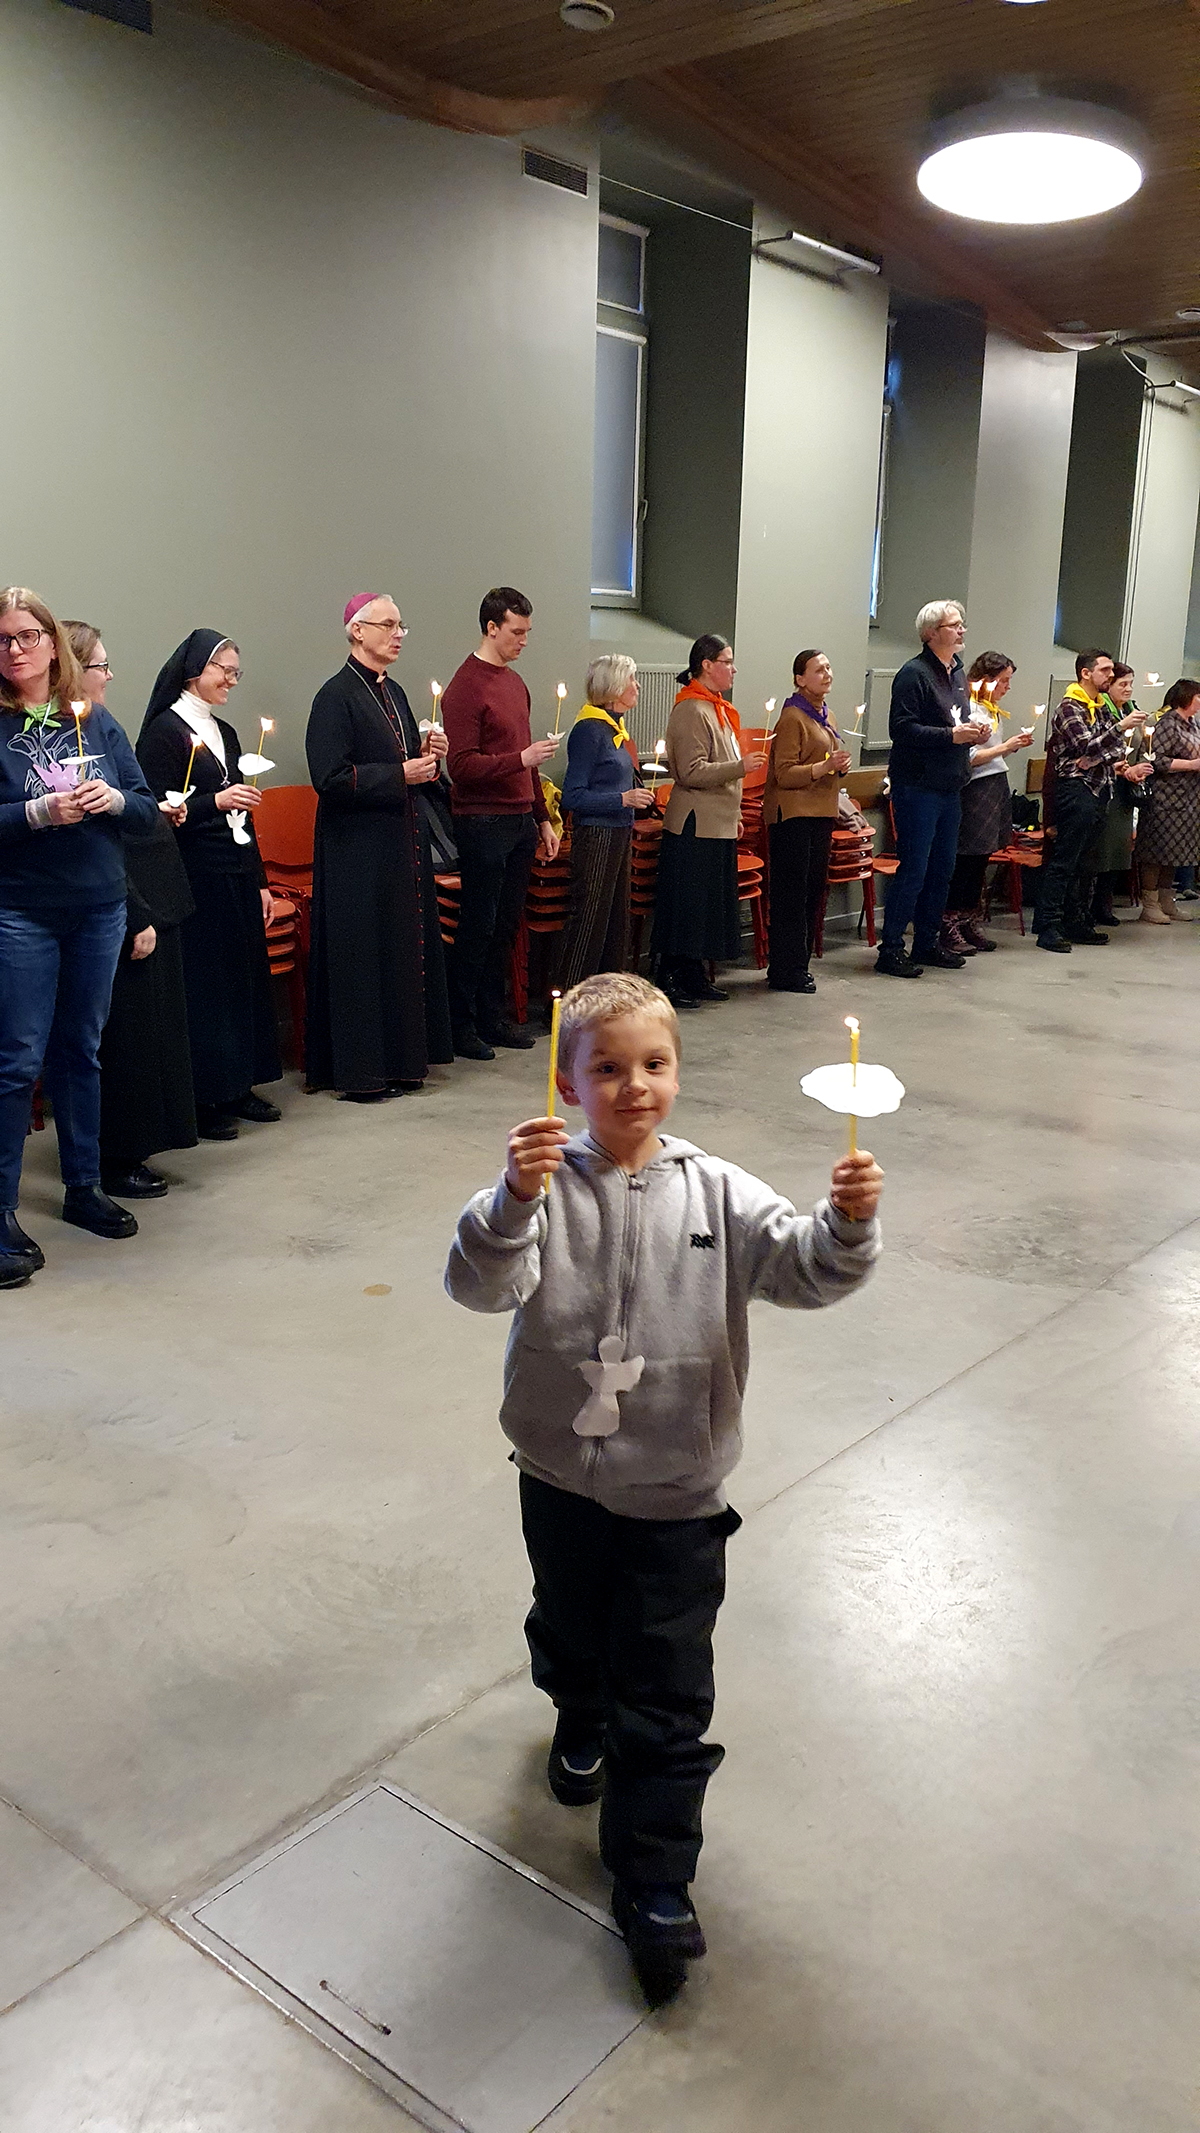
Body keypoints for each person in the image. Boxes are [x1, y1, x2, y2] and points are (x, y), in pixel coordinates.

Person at [445, 972, 882, 2000]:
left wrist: (845, 1224)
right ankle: (577, 1710)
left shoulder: (720, 1192)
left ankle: (654, 1880)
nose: (633, 1085)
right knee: (569, 1625)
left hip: (679, 1490)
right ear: (568, 1082)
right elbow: (477, 1284)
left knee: (668, 1689)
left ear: (678, 1071)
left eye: (653, 1063)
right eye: (606, 1068)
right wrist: (510, 1201)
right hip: (558, 1473)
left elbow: (806, 1272)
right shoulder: (541, 1186)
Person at [0, 587, 158, 1287]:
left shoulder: (90, 719)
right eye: (3, 639)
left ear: (51, 644)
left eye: (27, 636)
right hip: (22, 911)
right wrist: (36, 812)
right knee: (16, 1060)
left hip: (98, 907)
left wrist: (113, 799)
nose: (15, 650)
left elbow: (146, 811)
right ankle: (1, 1211)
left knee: (81, 1050)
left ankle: (83, 1186)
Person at [64, 621, 197, 1198]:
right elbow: (93, 844)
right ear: (73, 669)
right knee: (122, 1040)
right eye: (100, 666)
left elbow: (131, 803)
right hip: (116, 903)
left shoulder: (104, 725)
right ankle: (115, 1156)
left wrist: (148, 809)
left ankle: (138, 1144)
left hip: (145, 896)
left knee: (150, 1032)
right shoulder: (64, 737)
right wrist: (135, 914)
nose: (109, 675)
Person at [305, 595, 453, 1100]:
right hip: (356, 851)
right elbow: (329, 778)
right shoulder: (334, 696)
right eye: (388, 625)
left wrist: (428, 757)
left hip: (399, 845)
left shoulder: (396, 692)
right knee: (363, 957)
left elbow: (406, 763)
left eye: (400, 625)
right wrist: (399, 773)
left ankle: (402, 1063)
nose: (398, 634)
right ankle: (361, 1073)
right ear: (357, 631)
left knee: (397, 951)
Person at [137, 632, 282, 1136]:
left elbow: (244, 813)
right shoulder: (164, 733)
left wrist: (260, 880)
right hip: (194, 875)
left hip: (235, 872)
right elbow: (155, 811)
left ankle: (239, 1083)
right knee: (206, 987)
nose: (232, 681)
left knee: (241, 980)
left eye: (237, 672)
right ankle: (205, 1096)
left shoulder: (226, 732)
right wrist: (213, 803)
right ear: (195, 668)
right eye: (225, 670)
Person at [442, 588, 560, 1061]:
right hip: (482, 820)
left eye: (528, 632)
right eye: (517, 632)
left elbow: (529, 761)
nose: (524, 641)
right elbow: (461, 766)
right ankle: (461, 1023)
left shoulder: (516, 684)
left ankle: (493, 1017)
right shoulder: (465, 687)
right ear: (491, 628)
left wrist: (542, 817)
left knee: (507, 925)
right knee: (480, 924)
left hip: (519, 821)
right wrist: (520, 760)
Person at [651, 636, 765, 1010]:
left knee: (704, 907)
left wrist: (735, 816)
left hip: (716, 823)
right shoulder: (691, 709)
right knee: (687, 904)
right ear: (706, 665)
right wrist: (741, 766)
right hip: (693, 825)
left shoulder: (717, 708)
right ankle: (670, 975)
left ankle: (693, 973)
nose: (733, 669)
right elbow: (690, 771)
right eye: (727, 662)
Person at [877, 600, 988, 978]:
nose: (961, 630)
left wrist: (974, 732)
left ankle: (926, 942)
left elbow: (957, 720)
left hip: (950, 784)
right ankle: (891, 949)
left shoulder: (956, 672)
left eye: (961, 624)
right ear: (930, 633)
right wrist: (952, 735)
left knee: (942, 869)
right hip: (918, 785)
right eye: (953, 625)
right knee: (915, 870)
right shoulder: (914, 674)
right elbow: (902, 729)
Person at [1033, 649, 1149, 953]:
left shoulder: (1100, 706)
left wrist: (1096, 755)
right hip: (1076, 789)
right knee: (1065, 860)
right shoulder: (1070, 707)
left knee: (1086, 863)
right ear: (1086, 673)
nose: (1110, 675)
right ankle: (1048, 925)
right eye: (1105, 670)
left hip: (1100, 788)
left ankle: (1076, 920)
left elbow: (1115, 751)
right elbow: (1086, 744)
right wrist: (1117, 731)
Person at [555, 654, 654, 992]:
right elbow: (572, 796)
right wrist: (622, 799)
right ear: (612, 686)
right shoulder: (589, 731)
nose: (637, 686)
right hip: (596, 834)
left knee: (614, 921)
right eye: (631, 679)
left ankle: (609, 996)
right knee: (589, 920)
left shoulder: (614, 728)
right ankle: (570, 998)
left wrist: (634, 799)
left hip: (619, 833)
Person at [762, 649, 852, 994]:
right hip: (793, 814)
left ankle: (800, 963)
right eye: (818, 670)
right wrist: (824, 767)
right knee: (791, 894)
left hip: (821, 812)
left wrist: (839, 767)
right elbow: (784, 774)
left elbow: (826, 762)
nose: (827, 674)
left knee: (813, 891)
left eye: (828, 667)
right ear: (800, 679)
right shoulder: (793, 718)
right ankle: (785, 968)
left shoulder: (825, 715)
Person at [939, 651, 1033, 956]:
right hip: (975, 789)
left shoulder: (992, 710)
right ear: (986, 679)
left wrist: (1009, 748)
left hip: (994, 785)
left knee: (981, 859)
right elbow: (970, 758)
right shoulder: (969, 709)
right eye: (1003, 681)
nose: (1007, 687)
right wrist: (1005, 747)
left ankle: (969, 919)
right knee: (967, 858)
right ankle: (949, 922)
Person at [1135, 679, 1200, 924]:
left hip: (1188, 799)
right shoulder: (1168, 723)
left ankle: (1167, 900)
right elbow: (1155, 759)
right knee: (1157, 851)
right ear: (1186, 697)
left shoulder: (1192, 724)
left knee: (1175, 853)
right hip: (1165, 798)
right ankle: (1150, 904)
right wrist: (1191, 765)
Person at [1085, 662, 1141, 927]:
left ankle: (1105, 902)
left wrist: (1140, 767)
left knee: (1118, 849)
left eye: (1131, 684)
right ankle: (1090, 906)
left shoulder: (1131, 710)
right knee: (1101, 849)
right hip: (1104, 787)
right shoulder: (1104, 710)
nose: (1128, 689)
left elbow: (1140, 745)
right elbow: (1100, 747)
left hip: (1125, 792)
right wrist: (1122, 769)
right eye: (1123, 684)